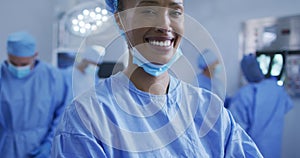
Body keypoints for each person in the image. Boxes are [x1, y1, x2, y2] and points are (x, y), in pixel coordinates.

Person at [52, 0, 263, 157]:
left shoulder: (210, 110)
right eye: (149, 10)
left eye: (175, 11)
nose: (165, 25)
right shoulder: (88, 117)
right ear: (121, 20)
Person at [0, 31, 70, 158]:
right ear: (8, 55)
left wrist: (50, 143)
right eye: (14, 63)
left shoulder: (53, 77)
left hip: (40, 146)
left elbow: (62, 115)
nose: (18, 68)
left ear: (35, 55)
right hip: (5, 148)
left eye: (24, 64)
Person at [228, 54, 293, 158]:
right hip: (273, 148)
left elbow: (235, 128)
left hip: (252, 151)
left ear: (245, 72)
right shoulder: (276, 88)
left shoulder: (245, 94)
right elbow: (287, 106)